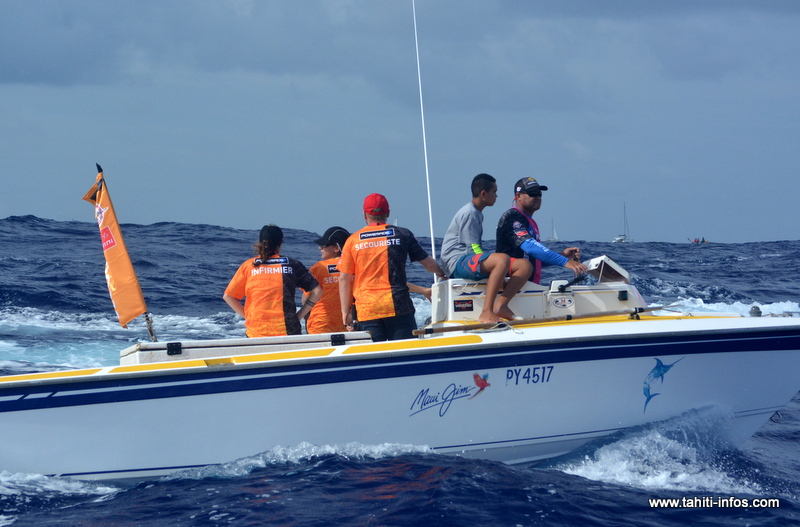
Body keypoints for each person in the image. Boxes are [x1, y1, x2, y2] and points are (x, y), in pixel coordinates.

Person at [338, 193, 447, 341]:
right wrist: (442, 273)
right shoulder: (403, 234)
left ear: (365, 214)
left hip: (367, 309)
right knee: (405, 354)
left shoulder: (352, 241)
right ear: (388, 213)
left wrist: (345, 312)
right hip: (399, 306)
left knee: (374, 358)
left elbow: (344, 279)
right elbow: (429, 264)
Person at [441, 173, 533, 322]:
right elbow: (472, 249)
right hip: (457, 261)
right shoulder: (469, 213)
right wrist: (497, 268)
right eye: (494, 192)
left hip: (468, 259)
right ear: (484, 193)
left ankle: (501, 306)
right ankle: (487, 312)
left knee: (525, 266)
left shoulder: (477, 213)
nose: (496, 195)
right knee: (502, 259)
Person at [223, 224, 322, 337]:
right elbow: (317, 291)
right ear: (281, 243)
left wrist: (249, 317)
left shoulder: (249, 266)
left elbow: (228, 296)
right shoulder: (291, 264)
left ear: (260, 242)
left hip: (256, 333)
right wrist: (298, 316)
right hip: (287, 332)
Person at [496, 177, 587, 284]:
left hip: (528, 287)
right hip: (509, 285)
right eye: (532, 194)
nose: (537, 197)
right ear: (518, 196)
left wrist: (562, 255)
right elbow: (530, 247)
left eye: (539, 194)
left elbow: (534, 260)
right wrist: (565, 262)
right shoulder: (512, 217)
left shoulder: (530, 221)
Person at [304, 226, 351, 334]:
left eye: (324, 245)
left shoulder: (318, 268)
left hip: (321, 325)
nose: (320, 248)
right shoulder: (354, 267)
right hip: (348, 325)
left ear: (336, 248)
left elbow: (306, 299)